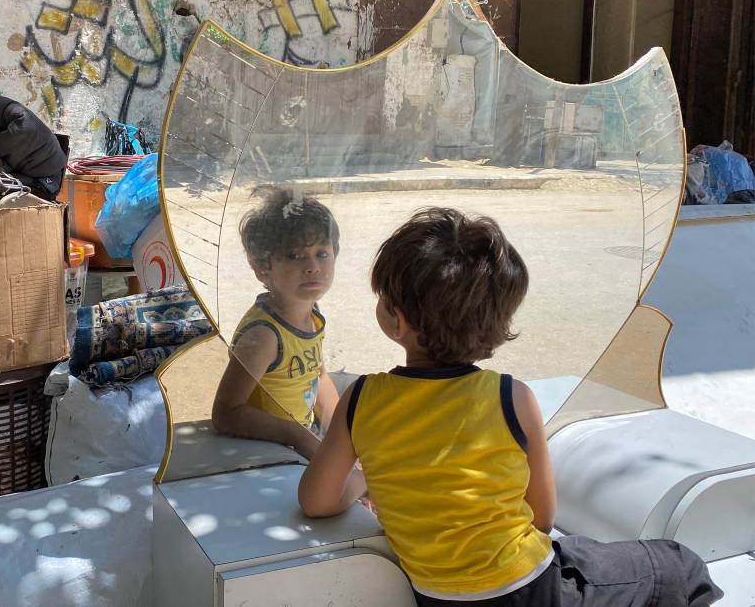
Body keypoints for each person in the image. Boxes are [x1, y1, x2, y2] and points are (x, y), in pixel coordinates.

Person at [298, 207, 722, 606]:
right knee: (678, 564)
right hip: (532, 589)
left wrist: (365, 481)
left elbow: (316, 502)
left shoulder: (361, 401)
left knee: (582, 553)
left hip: (436, 597)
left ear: (397, 321)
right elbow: (541, 517)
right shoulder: (512, 397)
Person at [212, 187, 341, 460]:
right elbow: (226, 413)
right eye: (295, 256)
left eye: (322, 253)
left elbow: (317, 376)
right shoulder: (264, 336)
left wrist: (343, 438)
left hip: (302, 440)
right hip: (271, 453)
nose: (312, 267)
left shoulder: (311, 314)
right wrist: (297, 436)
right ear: (262, 267)